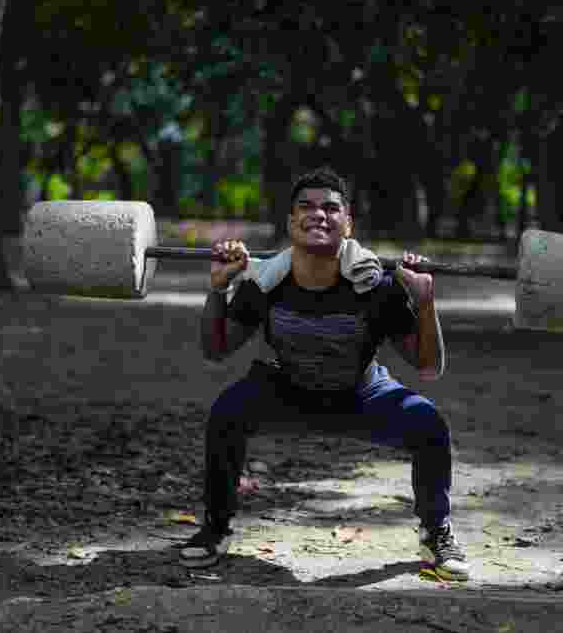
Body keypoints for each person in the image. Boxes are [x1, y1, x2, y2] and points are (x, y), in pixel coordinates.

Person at [179, 166, 470, 581]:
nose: (319, 215)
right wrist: (218, 288)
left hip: (359, 395)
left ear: (347, 223)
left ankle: (435, 531)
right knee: (228, 412)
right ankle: (216, 527)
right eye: (307, 207)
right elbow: (215, 351)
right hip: (285, 391)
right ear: (290, 222)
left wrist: (424, 302)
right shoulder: (263, 284)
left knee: (428, 422)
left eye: (331, 208)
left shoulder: (378, 288)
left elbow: (428, 368)